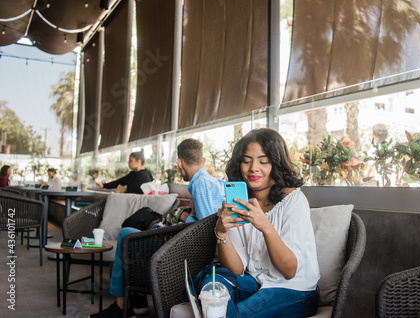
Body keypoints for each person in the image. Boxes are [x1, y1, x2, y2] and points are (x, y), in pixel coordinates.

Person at [90, 138, 225, 318]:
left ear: (179, 162)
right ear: (203, 161)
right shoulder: (212, 181)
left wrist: (183, 216)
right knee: (135, 240)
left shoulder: (200, 183)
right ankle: (137, 300)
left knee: (127, 235)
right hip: (185, 246)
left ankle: (122, 306)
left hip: (182, 252)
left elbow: (204, 227)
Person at [197, 128, 320, 318]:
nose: (253, 168)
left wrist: (265, 226)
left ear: (276, 165)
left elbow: (289, 271)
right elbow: (236, 270)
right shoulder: (238, 203)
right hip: (256, 282)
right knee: (214, 284)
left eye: (263, 161)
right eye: (246, 161)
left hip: (295, 289)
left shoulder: (294, 201)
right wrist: (221, 234)